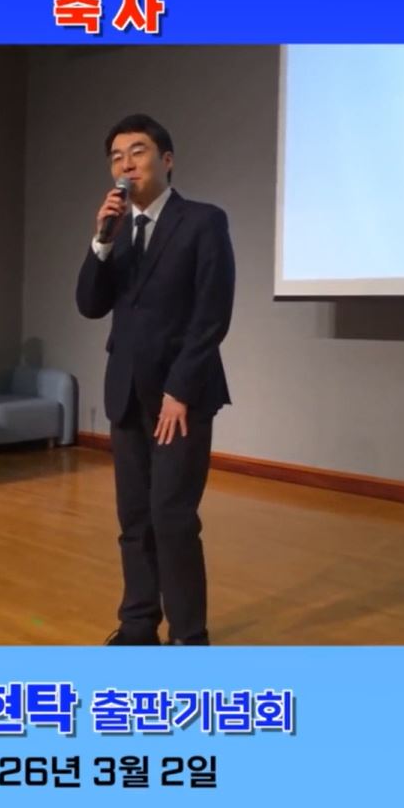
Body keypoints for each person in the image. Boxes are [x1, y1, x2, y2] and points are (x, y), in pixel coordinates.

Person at [76, 114, 235, 646]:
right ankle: (138, 624)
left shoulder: (203, 221)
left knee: (172, 516)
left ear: (166, 160)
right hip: (125, 392)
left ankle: (189, 636)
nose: (126, 164)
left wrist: (180, 391)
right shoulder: (117, 231)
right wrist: (100, 242)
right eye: (116, 157)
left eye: (137, 152)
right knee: (134, 518)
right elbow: (89, 304)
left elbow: (212, 315)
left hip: (181, 398)